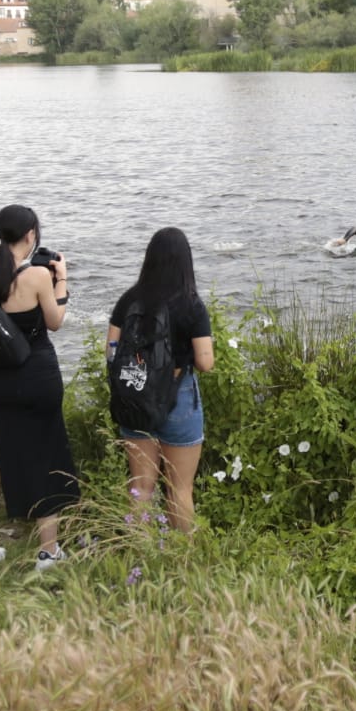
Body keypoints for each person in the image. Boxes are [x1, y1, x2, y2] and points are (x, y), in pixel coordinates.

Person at [0, 205, 78, 573]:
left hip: (2, 376)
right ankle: (49, 552)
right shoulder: (39, 275)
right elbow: (55, 322)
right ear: (30, 235)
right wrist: (62, 279)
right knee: (46, 454)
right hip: (38, 375)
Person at [107, 227, 215, 534]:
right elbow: (206, 362)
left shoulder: (129, 299)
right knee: (179, 489)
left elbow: (111, 351)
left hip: (135, 396)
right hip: (178, 398)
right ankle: (181, 561)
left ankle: (140, 558)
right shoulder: (191, 304)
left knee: (141, 487)